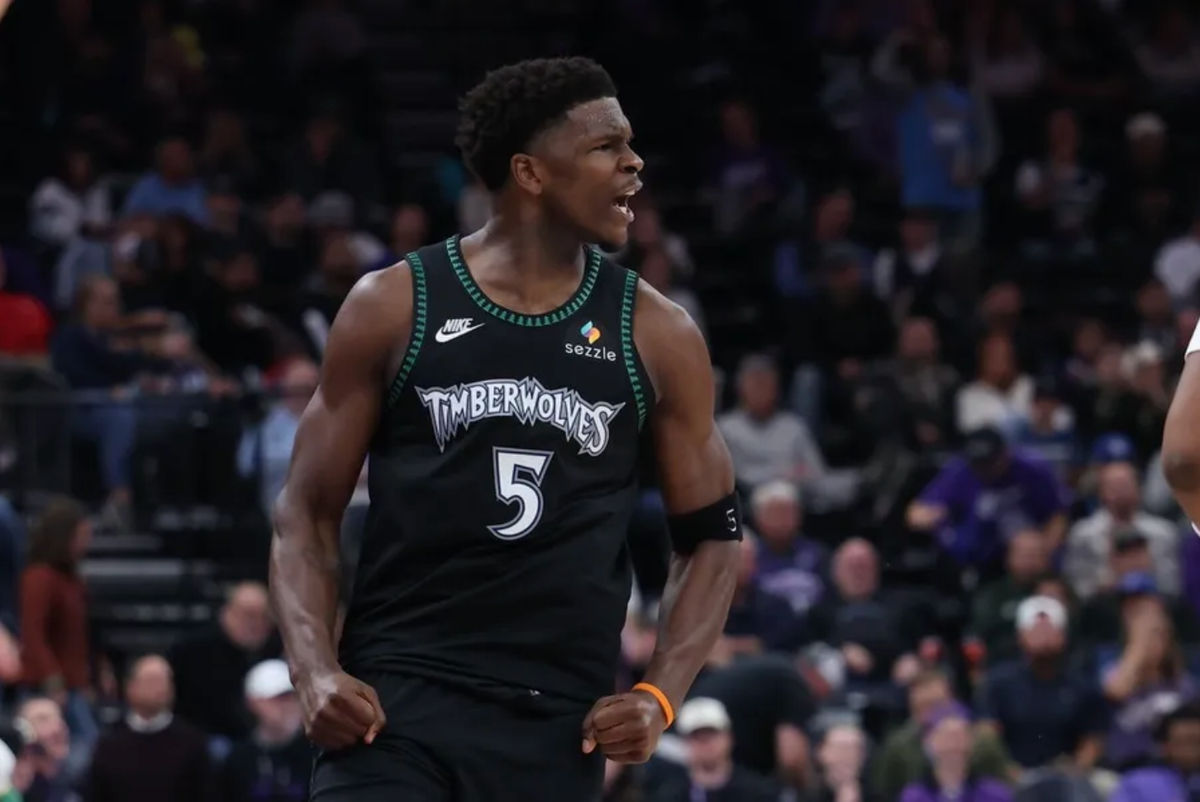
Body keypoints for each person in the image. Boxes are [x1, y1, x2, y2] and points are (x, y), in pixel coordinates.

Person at [271, 57, 741, 802]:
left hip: (554, 723)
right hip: (397, 705)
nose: (634, 162)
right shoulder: (394, 304)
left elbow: (713, 533)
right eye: (606, 146)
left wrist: (659, 695)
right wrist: (315, 670)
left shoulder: (657, 331)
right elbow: (305, 512)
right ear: (531, 172)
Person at [18, 499, 96, 755]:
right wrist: (53, 679)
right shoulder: (39, 577)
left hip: (73, 683)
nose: (86, 544)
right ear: (64, 538)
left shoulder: (72, 579)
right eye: (81, 536)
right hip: (47, 686)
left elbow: (80, 634)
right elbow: (33, 634)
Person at [86, 655, 213, 802]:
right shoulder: (109, 745)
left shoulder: (192, 743)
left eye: (166, 681)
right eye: (152, 681)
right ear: (131, 687)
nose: (161, 688)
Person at [170, 581, 279, 744]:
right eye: (249, 615)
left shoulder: (278, 649)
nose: (257, 624)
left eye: (264, 616)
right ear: (227, 613)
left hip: (265, 739)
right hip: (208, 737)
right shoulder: (192, 651)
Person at [647, 698, 780, 802]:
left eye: (711, 734)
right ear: (685, 743)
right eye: (697, 737)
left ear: (729, 737)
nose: (705, 743)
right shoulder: (668, 795)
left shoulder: (759, 793)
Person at [221, 659, 311, 802]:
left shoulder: (315, 753)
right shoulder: (238, 759)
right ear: (254, 703)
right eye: (279, 698)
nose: (289, 705)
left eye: (294, 697)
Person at [899, 703, 1013, 802]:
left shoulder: (994, 794)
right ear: (928, 742)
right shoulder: (915, 797)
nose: (954, 746)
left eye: (960, 737)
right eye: (947, 737)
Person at [1109, 701, 1200, 802]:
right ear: (1165, 746)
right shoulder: (1139, 784)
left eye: (1197, 742)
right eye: (1187, 741)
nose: (1194, 750)